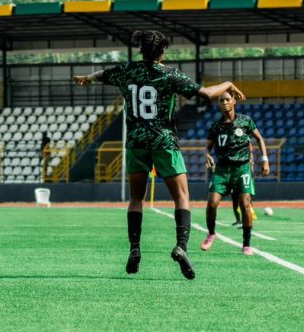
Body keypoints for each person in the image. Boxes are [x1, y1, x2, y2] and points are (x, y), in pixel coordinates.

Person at [72, 30, 245, 280]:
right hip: (164, 141)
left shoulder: (126, 70)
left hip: (136, 141)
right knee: (181, 196)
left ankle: (134, 248)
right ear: (162, 51)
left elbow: (102, 74)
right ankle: (181, 246)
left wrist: (88, 78)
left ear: (141, 49)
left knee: (136, 197)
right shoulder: (170, 74)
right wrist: (228, 84)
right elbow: (207, 94)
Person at [200, 91, 269, 255]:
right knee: (212, 203)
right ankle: (211, 233)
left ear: (234, 101)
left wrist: (265, 159)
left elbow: (259, 139)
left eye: (227, 99)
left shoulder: (245, 121)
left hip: (242, 168)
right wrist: (207, 155)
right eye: (221, 100)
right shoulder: (216, 126)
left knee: (245, 204)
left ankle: (246, 244)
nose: (224, 102)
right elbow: (207, 148)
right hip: (222, 170)